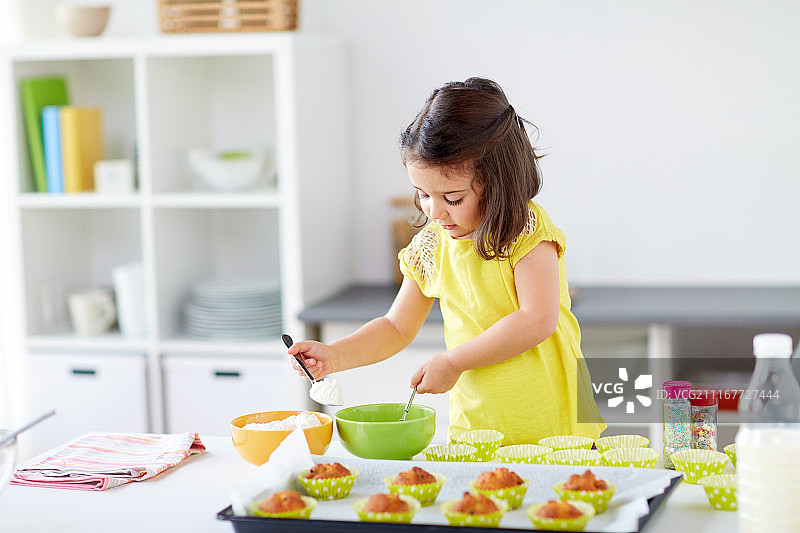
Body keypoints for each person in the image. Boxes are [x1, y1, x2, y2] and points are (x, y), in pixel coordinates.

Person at [288, 77, 605, 444]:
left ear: (498, 182)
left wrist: (454, 362)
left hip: (556, 428)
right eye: (422, 194)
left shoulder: (525, 231)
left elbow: (536, 320)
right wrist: (334, 356)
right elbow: (396, 327)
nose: (435, 211)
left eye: (452, 198)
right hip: (477, 430)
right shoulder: (431, 247)